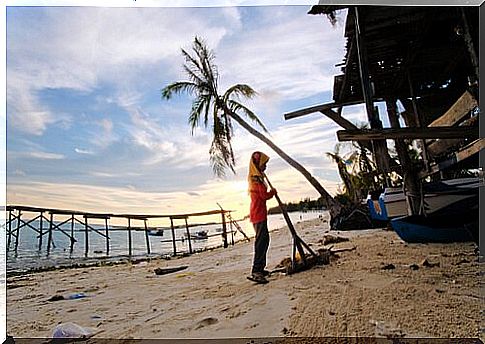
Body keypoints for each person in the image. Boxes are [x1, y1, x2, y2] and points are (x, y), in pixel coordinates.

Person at [247, 151, 277, 284]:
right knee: (261, 242)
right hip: (258, 214)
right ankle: (256, 271)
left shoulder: (258, 178)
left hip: (259, 213)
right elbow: (263, 197)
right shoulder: (255, 180)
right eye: (264, 164)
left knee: (265, 240)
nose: (265, 166)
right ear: (258, 164)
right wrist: (273, 192)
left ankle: (261, 268)